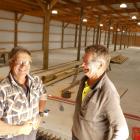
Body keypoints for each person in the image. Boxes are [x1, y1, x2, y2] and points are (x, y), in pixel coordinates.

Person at [72, 45, 129, 140]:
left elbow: (122, 131)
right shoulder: (84, 81)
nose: (82, 65)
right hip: (75, 136)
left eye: (86, 62)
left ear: (100, 65)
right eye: (83, 60)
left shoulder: (108, 93)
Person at [0, 47, 47, 140]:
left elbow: (43, 95)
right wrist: (20, 130)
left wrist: (40, 114)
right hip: (11, 137)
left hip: (31, 134)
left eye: (27, 62)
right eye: (19, 62)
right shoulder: (2, 89)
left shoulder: (36, 81)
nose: (23, 66)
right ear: (10, 63)